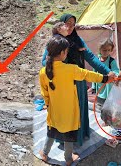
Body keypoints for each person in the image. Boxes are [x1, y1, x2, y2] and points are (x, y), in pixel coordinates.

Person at [41, 13, 115, 146]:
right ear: (60, 24)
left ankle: (77, 137)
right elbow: (43, 62)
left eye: (72, 24)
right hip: (62, 85)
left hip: (78, 82)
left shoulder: (78, 40)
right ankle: (63, 139)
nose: (70, 27)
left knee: (77, 111)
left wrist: (108, 72)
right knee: (63, 112)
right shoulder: (55, 42)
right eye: (67, 23)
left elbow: (91, 58)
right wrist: (64, 68)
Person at [39, 35, 113, 165]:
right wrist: (106, 78)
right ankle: (68, 159)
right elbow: (88, 75)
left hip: (54, 110)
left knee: (52, 131)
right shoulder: (70, 69)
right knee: (68, 134)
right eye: (66, 51)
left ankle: (44, 154)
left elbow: (44, 92)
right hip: (70, 110)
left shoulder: (43, 71)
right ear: (62, 53)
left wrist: (48, 105)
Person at [90, 39, 119, 108]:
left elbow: (116, 71)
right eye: (104, 50)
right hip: (100, 86)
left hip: (108, 87)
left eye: (109, 50)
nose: (106, 52)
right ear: (100, 50)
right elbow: (94, 73)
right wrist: (93, 86)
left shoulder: (111, 61)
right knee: (100, 104)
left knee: (109, 104)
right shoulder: (97, 61)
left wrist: (114, 75)